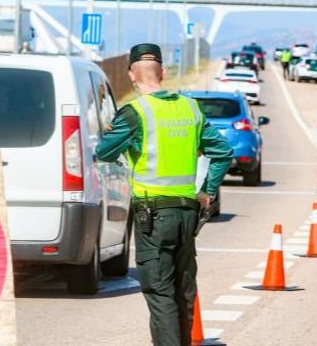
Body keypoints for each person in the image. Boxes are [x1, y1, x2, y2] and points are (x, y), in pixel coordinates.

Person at [95, 43, 233, 346]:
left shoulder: (135, 113)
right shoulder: (190, 108)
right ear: (164, 72)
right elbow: (223, 152)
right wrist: (207, 191)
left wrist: (123, 140)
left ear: (132, 75)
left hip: (152, 216)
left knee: (160, 294)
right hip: (186, 214)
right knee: (183, 291)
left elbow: (103, 153)